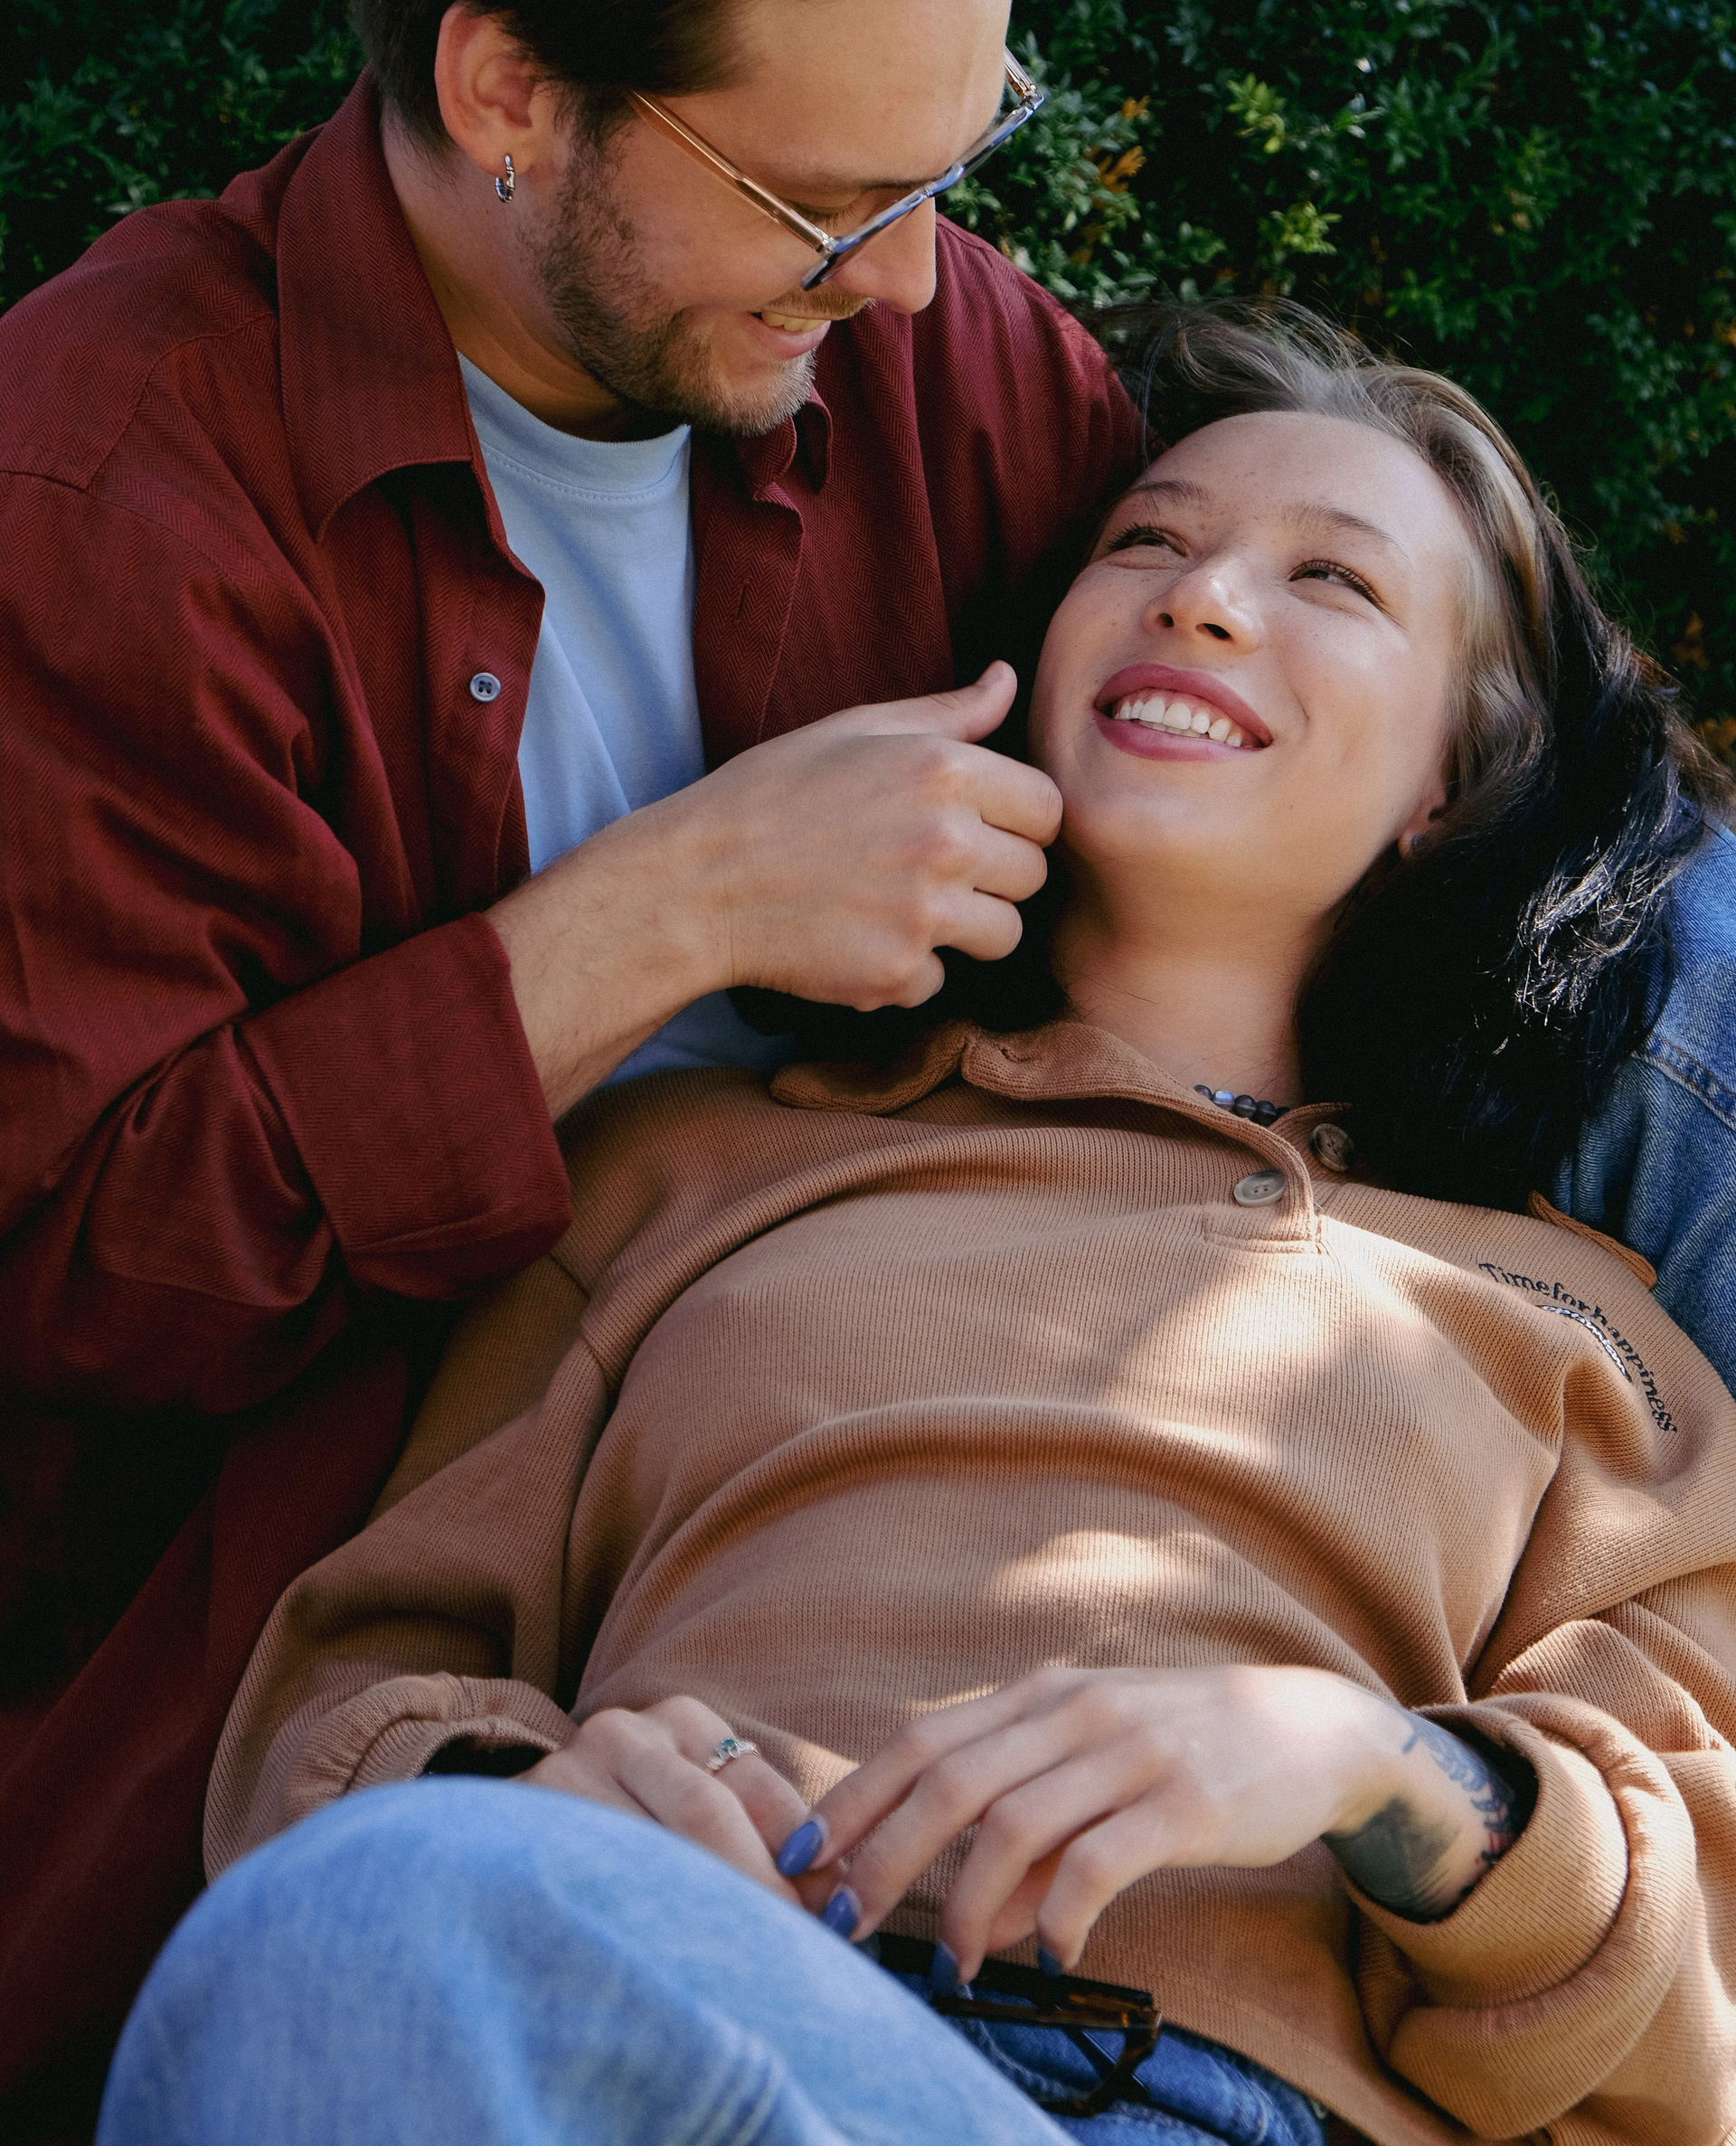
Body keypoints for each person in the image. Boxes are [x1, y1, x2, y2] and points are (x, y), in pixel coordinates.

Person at [105, 311, 1736, 2145]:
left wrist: (1383, 1770)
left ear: (1451, 783)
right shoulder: (683, 1170)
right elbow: (340, 1706)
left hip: (1195, 2102)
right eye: (1149, 539)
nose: (1202, 601)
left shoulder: (1592, 1334)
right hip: (634, 2006)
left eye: (1332, 580)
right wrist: (519, 1788)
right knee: (349, 1930)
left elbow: (1697, 1997)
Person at [0, 0, 1142, 2116]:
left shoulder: (943, 354)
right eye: (828, 201)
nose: (914, 284)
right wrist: (669, 913)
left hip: (883, 1531)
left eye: (963, 156)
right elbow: (77, 1281)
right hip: (350, 1681)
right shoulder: (99, 499)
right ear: (511, 90)